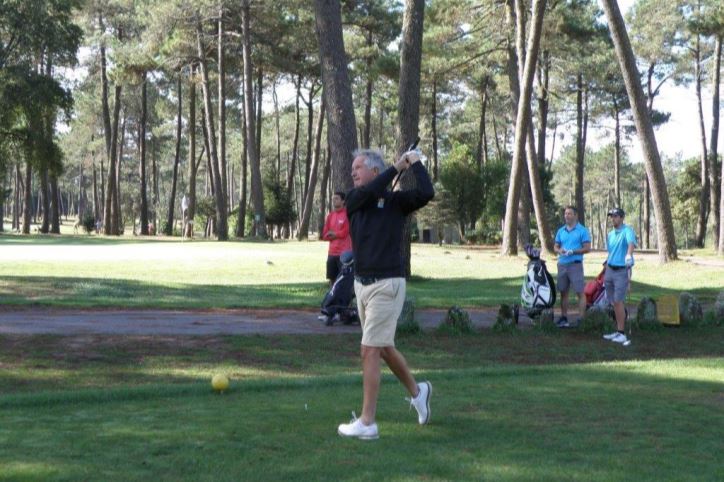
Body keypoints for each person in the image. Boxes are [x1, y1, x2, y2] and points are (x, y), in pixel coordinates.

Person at [336, 148, 434, 441]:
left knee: (369, 349)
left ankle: (367, 422)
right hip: (362, 285)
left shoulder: (395, 202)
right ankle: (419, 392)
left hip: (388, 284)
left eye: (358, 167)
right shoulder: (354, 200)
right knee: (383, 348)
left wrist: (415, 163)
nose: (353, 172)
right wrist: (396, 167)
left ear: (374, 171)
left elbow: (426, 193)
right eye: (352, 168)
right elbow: (370, 192)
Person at [602, 207, 637, 344]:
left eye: (615, 216)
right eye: (611, 216)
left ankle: (621, 333)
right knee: (613, 302)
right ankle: (617, 330)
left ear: (622, 218)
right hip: (610, 269)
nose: (613, 219)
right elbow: (611, 252)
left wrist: (628, 255)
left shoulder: (628, 231)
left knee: (618, 301)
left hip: (622, 270)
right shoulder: (610, 235)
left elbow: (631, 244)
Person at [553, 206, 591, 328]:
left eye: (569, 214)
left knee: (580, 292)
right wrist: (559, 251)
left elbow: (587, 248)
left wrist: (573, 252)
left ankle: (581, 319)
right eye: (565, 214)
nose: (566, 216)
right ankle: (564, 318)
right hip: (562, 264)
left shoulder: (582, 230)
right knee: (563, 292)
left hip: (575, 265)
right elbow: (555, 246)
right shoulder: (561, 230)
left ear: (575, 216)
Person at [321, 192, 352, 285]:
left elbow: (345, 232)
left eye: (337, 198)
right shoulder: (330, 216)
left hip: (344, 253)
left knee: (345, 279)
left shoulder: (348, 214)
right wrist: (330, 234)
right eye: (333, 199)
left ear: (343, 201)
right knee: (332, 279)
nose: (334, 201)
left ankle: (346, 299)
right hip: (331, 253)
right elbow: (324, 235)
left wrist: (333, 234)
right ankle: (332, 297)